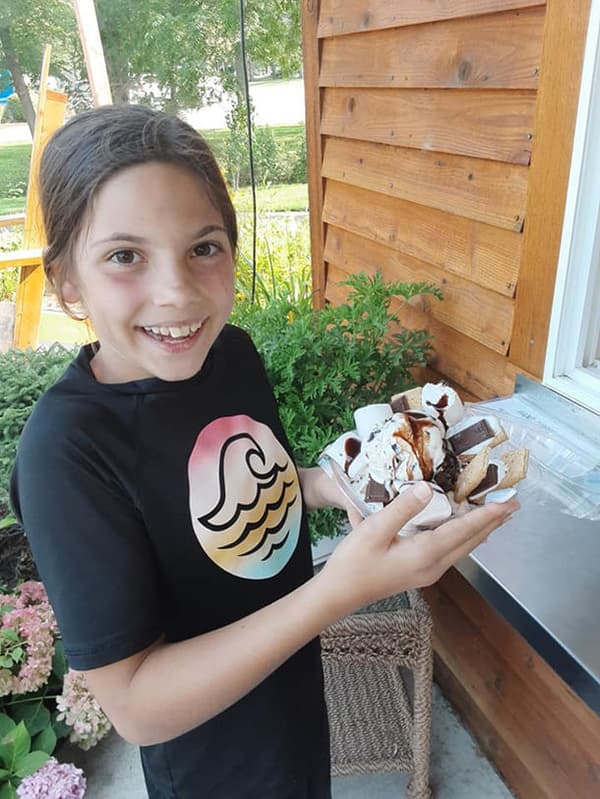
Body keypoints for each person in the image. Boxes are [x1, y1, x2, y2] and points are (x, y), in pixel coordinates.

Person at [9, 105, 518, 799]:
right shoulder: (66, 453)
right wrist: (339, 590)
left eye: (204, 247)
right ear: (67, 279)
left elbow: (254, 478)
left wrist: (339, 483)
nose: (177, 291)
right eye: (125, 255)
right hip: (216, 772)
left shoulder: (230, 357)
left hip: (296, 718)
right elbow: (134, 704)